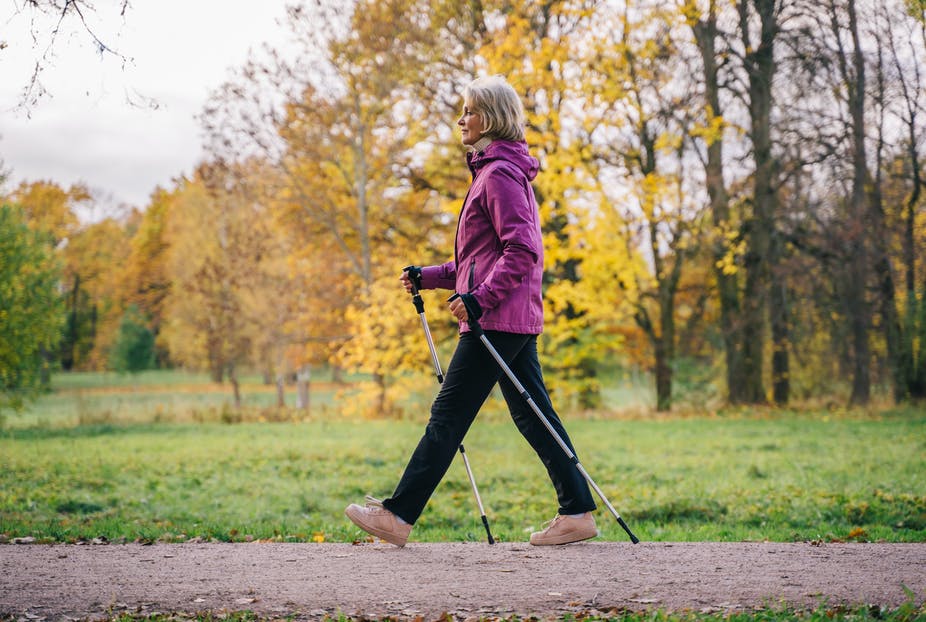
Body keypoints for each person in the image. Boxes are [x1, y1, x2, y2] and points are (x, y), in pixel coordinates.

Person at [345, 75, 597, 547]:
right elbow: (473, 262)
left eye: (469, 111)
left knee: (448, 416)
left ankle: (397, 517)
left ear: (492, 118)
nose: (461, 119)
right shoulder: (491, 172)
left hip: (495, 318)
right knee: (532, 414)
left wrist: (479, 300)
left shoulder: (499, 173)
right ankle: (578, 511)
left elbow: (522, 250)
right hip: (506, 316)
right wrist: (430, 275)